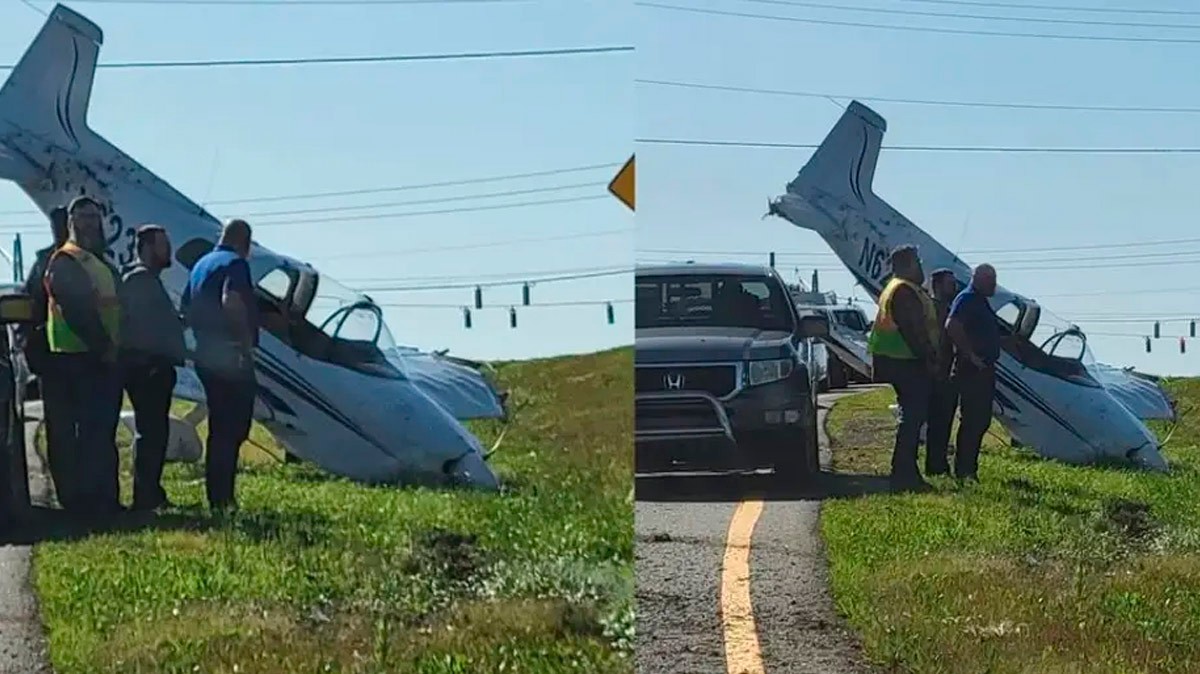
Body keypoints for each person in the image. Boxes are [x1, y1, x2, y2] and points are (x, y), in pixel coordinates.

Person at [42, 195, 123, 516]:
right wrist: (103, 345)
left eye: (96, 217)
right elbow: (76, 310)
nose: (92, 223)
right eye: (85, 217)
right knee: (83, 435)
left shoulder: (97, 261)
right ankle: (85, 502)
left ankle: (103, 499)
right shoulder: (66, 260)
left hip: (98, 358)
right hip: (75, 358)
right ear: (72, 222)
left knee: (100, 433)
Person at [180, 219, 258, 514]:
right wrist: (244, 345)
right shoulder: (235, 264)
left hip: (206, 354)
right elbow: (233, 301)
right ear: (245, 241)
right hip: (230, 355)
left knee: (219, 426)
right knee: (234, 427)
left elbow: (186, 307)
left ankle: (217, 494)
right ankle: (222, 498)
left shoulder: (202, 264)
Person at [119, 225, 186, 511]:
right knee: (151, 433)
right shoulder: (140, 280)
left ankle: (150, 492)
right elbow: (141, 328)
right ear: (147, 247)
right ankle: (145, 497)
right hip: (147, 369)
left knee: (155, 433)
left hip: (152, 366)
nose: (168, 250)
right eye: (163, 245)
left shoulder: (148, 281)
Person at [867, 245, 941, 492]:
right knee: (912, 418)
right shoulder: (903, 291)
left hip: (899, 360)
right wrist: (930, 359)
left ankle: (905, 471)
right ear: (908, 264)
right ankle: (904, 473)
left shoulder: (903, 288)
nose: (921, 266)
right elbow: (914, 332)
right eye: (917, 261)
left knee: (913, 418)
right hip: (904, 361)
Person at [20, 207, 74, 507]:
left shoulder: (89, 259)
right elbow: (29, 307)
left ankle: (88, 492)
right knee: (60, 425)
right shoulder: (44, 261)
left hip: (86, 354)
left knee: (86, 427)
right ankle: (67, 492)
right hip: (53, 355)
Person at [945, 263, 1001, 483]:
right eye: (990, 280)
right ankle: (964, 470)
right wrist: (971, 355)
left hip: (984, 368)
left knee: (980, 420)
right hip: (972, 370)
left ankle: (969, 468)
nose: (994, 284)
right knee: (973, 420)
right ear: (978, 279)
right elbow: (952, 325)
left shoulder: (981, 302)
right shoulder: (966, 299)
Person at [924, 269, 961, 477]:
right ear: (937, 285)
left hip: (947, 372)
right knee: (937, 421)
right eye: (950, 283)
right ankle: (935, 465)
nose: (954, 288)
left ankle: (938, 462)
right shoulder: (932, 309)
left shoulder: (947, 307)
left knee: (944, 421)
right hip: (937, 373)